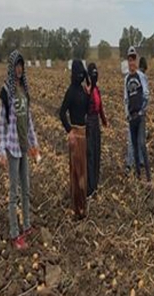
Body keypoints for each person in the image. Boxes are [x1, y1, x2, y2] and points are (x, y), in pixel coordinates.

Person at [0, 50, 40, 249]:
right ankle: (15, 234)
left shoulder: (24, 90)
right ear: (11, 67)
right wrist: (1, 149)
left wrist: (34, 143)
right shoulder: (7, 91)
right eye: (17, 65)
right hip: (12, 147)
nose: (20, 68)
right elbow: (1, 123)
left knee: (26, 189)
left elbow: (28, 120)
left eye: (22, 65)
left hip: (23, 147)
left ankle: (27, 225)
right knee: (13, 193)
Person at [60, 59, 91, 219]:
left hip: (84, 134)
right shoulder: (71, 91)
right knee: (76, 173)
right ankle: (76, 208)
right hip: (75, 135)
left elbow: (88, 108)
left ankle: (82, 207)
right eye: (78, 73)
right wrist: (69, 131)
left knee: (83, 173)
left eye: (82, 73)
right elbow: (61, 112)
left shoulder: (83, 90)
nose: (80, 75)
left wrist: (88, 83)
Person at [124, 47, 151, 183]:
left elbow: (146, 94)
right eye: (129, 59)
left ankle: (148, 175)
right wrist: (127, 113)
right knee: (133, 144)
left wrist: (142, 110)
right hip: (131, 116)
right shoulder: (127, 78)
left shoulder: (141, 76)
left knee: (141, 143)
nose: (131, 62)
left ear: (136, 60)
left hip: (140, 116)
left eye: (133, 59)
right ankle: (138, 175)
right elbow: (126, 98)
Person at [86, 63, 108, 198]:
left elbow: (100, 107)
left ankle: (95, 185)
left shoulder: (96, 90)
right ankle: (90, 188)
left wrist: (104, 120)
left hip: (96, 124)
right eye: (92, 74)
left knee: (96, 153)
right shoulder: (86, 90)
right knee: (90, 155)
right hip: (88, 123)